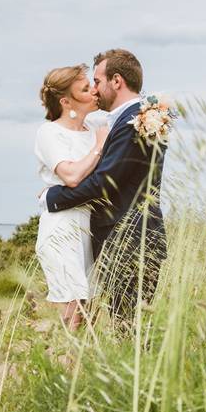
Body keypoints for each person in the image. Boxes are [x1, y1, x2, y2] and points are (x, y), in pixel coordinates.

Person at [40, 49, 167, 325]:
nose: (95, 89)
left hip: (129, 240)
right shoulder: (140, 116)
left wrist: (53, 197)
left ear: (117, 81)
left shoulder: (134, 122)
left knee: (128, 329)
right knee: (127, 327)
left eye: (97, 81)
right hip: (135, 237)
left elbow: (102, 184)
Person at [34, 64, 109, 331]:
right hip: (62, 228)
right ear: (66, 101)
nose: (94, 92)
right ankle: (63, 368)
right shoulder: (50, 132)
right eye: (86, 89)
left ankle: (79, 370)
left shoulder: (93, 129)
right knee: (73, 312)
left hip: (89, 228)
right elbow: (72, 176)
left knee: (90, 313)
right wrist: (100, 147)